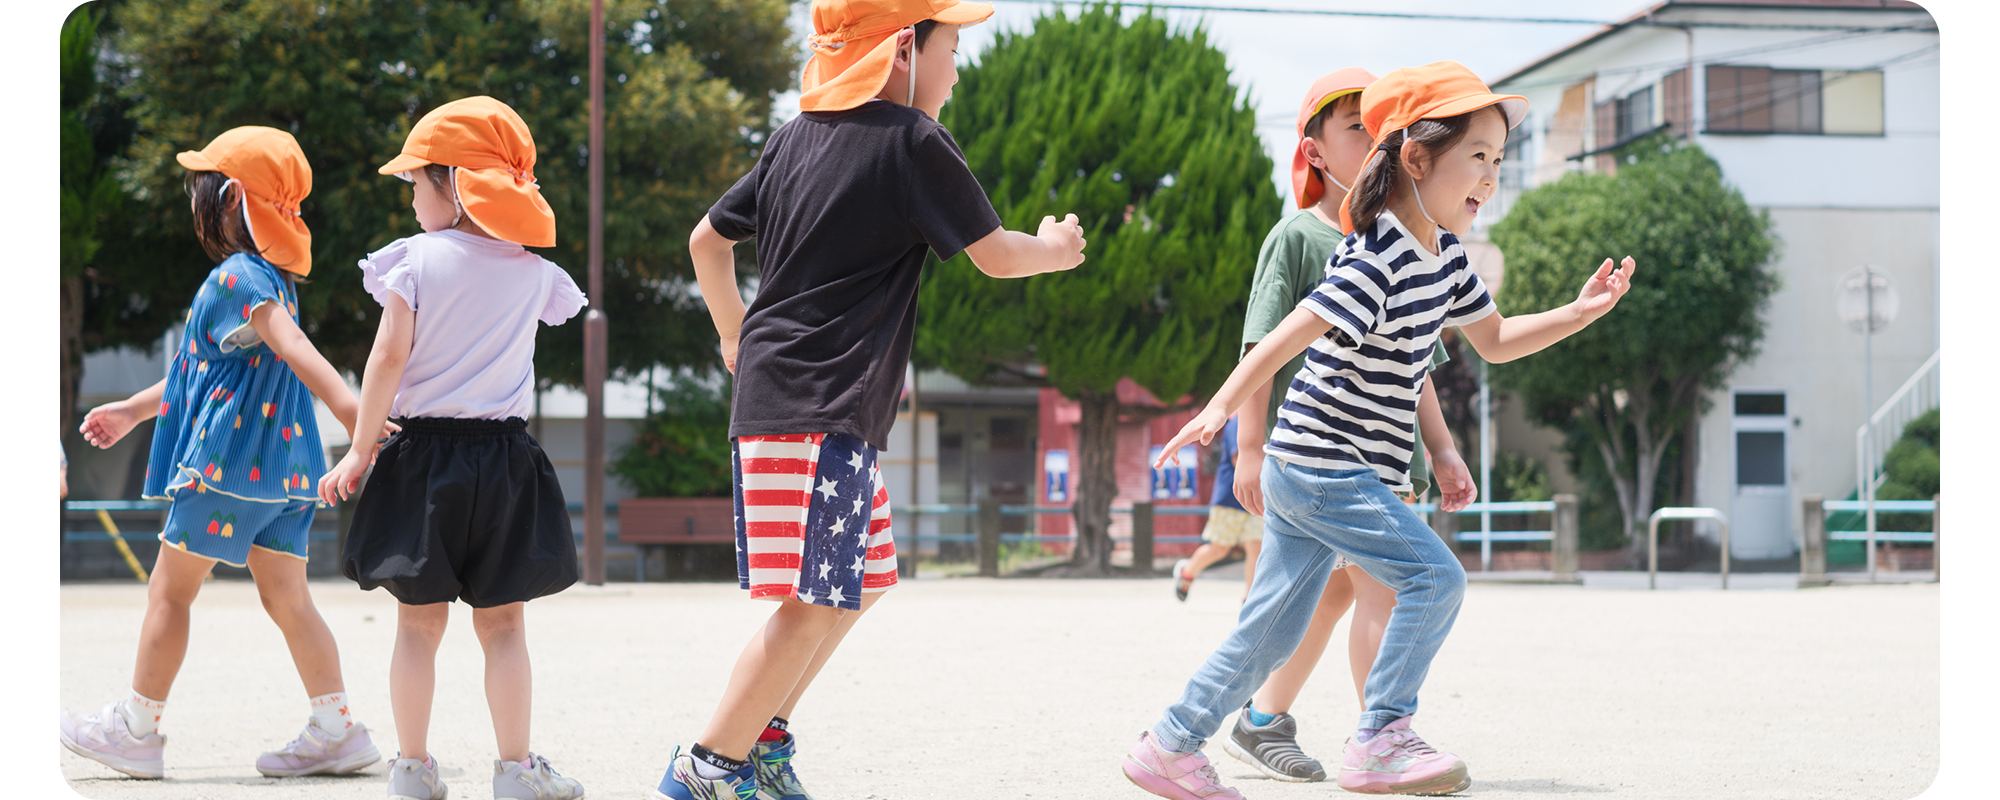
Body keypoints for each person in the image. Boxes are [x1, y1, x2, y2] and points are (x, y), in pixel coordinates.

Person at [1122, 61, 1637, 798]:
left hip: (1319, 468)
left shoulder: (1445, 256)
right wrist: (1222, 409)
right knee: (1434, 577)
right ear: (1417, 159)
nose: (1490, 178)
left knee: (1272, 630)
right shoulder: (1378, 253)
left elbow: (1493, 339)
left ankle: (1171, 743)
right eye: (1477, 158)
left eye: (1498, 160)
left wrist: (1578, 312)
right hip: (1322, 464)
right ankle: (1382, 737)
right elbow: (1287, 334)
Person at [652, 1, 1088, 797]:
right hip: (819, 404)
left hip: (797, 399)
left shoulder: (792, 140)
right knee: (815, 598)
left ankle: (763, 737)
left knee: (863, 577)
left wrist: (732, 333)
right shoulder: (913, 141)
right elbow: (994, 256)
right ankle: (709, 764)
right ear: (901, 51)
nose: (957, 69)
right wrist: (1056, 250)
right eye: (950, 48)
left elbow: (706, 240)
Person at [61, 126, 384, 781]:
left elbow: (297, 354)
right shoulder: (274, 278)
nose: (192, 196)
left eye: (198, 185)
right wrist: (131, 411)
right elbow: (199, 371)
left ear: (230, 196)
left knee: (169, 592)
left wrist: (365, 424)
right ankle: (336, 728)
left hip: (228, 467)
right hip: (288, 471)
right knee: (288, 598)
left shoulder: (237, 276)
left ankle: (136, 729)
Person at [319, 96, 588, 800]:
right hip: (503, 459)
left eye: (416, 182)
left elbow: (385, 361)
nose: (411, 199)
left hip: (420, 460)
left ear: (458, 184)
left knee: (417, 625)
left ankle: (411, 768)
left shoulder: (415, 263)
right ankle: (516, 771)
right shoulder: (535, 274)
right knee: (503, 627)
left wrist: (358, 450)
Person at [1217, 68, 1478, 785]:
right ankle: (1385, 740)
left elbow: (1418, 361)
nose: (1375, 143)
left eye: (1384, 130)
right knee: (1383, 591)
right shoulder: (1299, 237)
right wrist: (1247, 449)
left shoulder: (1419, 241)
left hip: (1391, 460)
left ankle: (1264, 719)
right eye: (1355, 128)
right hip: (1328, 461)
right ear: (1315, 153)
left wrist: (1445, 448)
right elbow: (1262, 346)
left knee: (1336, 595)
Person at [1171, 417, 1263, 603]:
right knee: (1220, 548)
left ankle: (1249, 599)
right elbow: (1240, 458)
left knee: (1256, 547)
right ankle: (1187, 572)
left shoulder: (1260, 420)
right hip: (1230, 496)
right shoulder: (1238, 422)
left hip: (1255, 495)